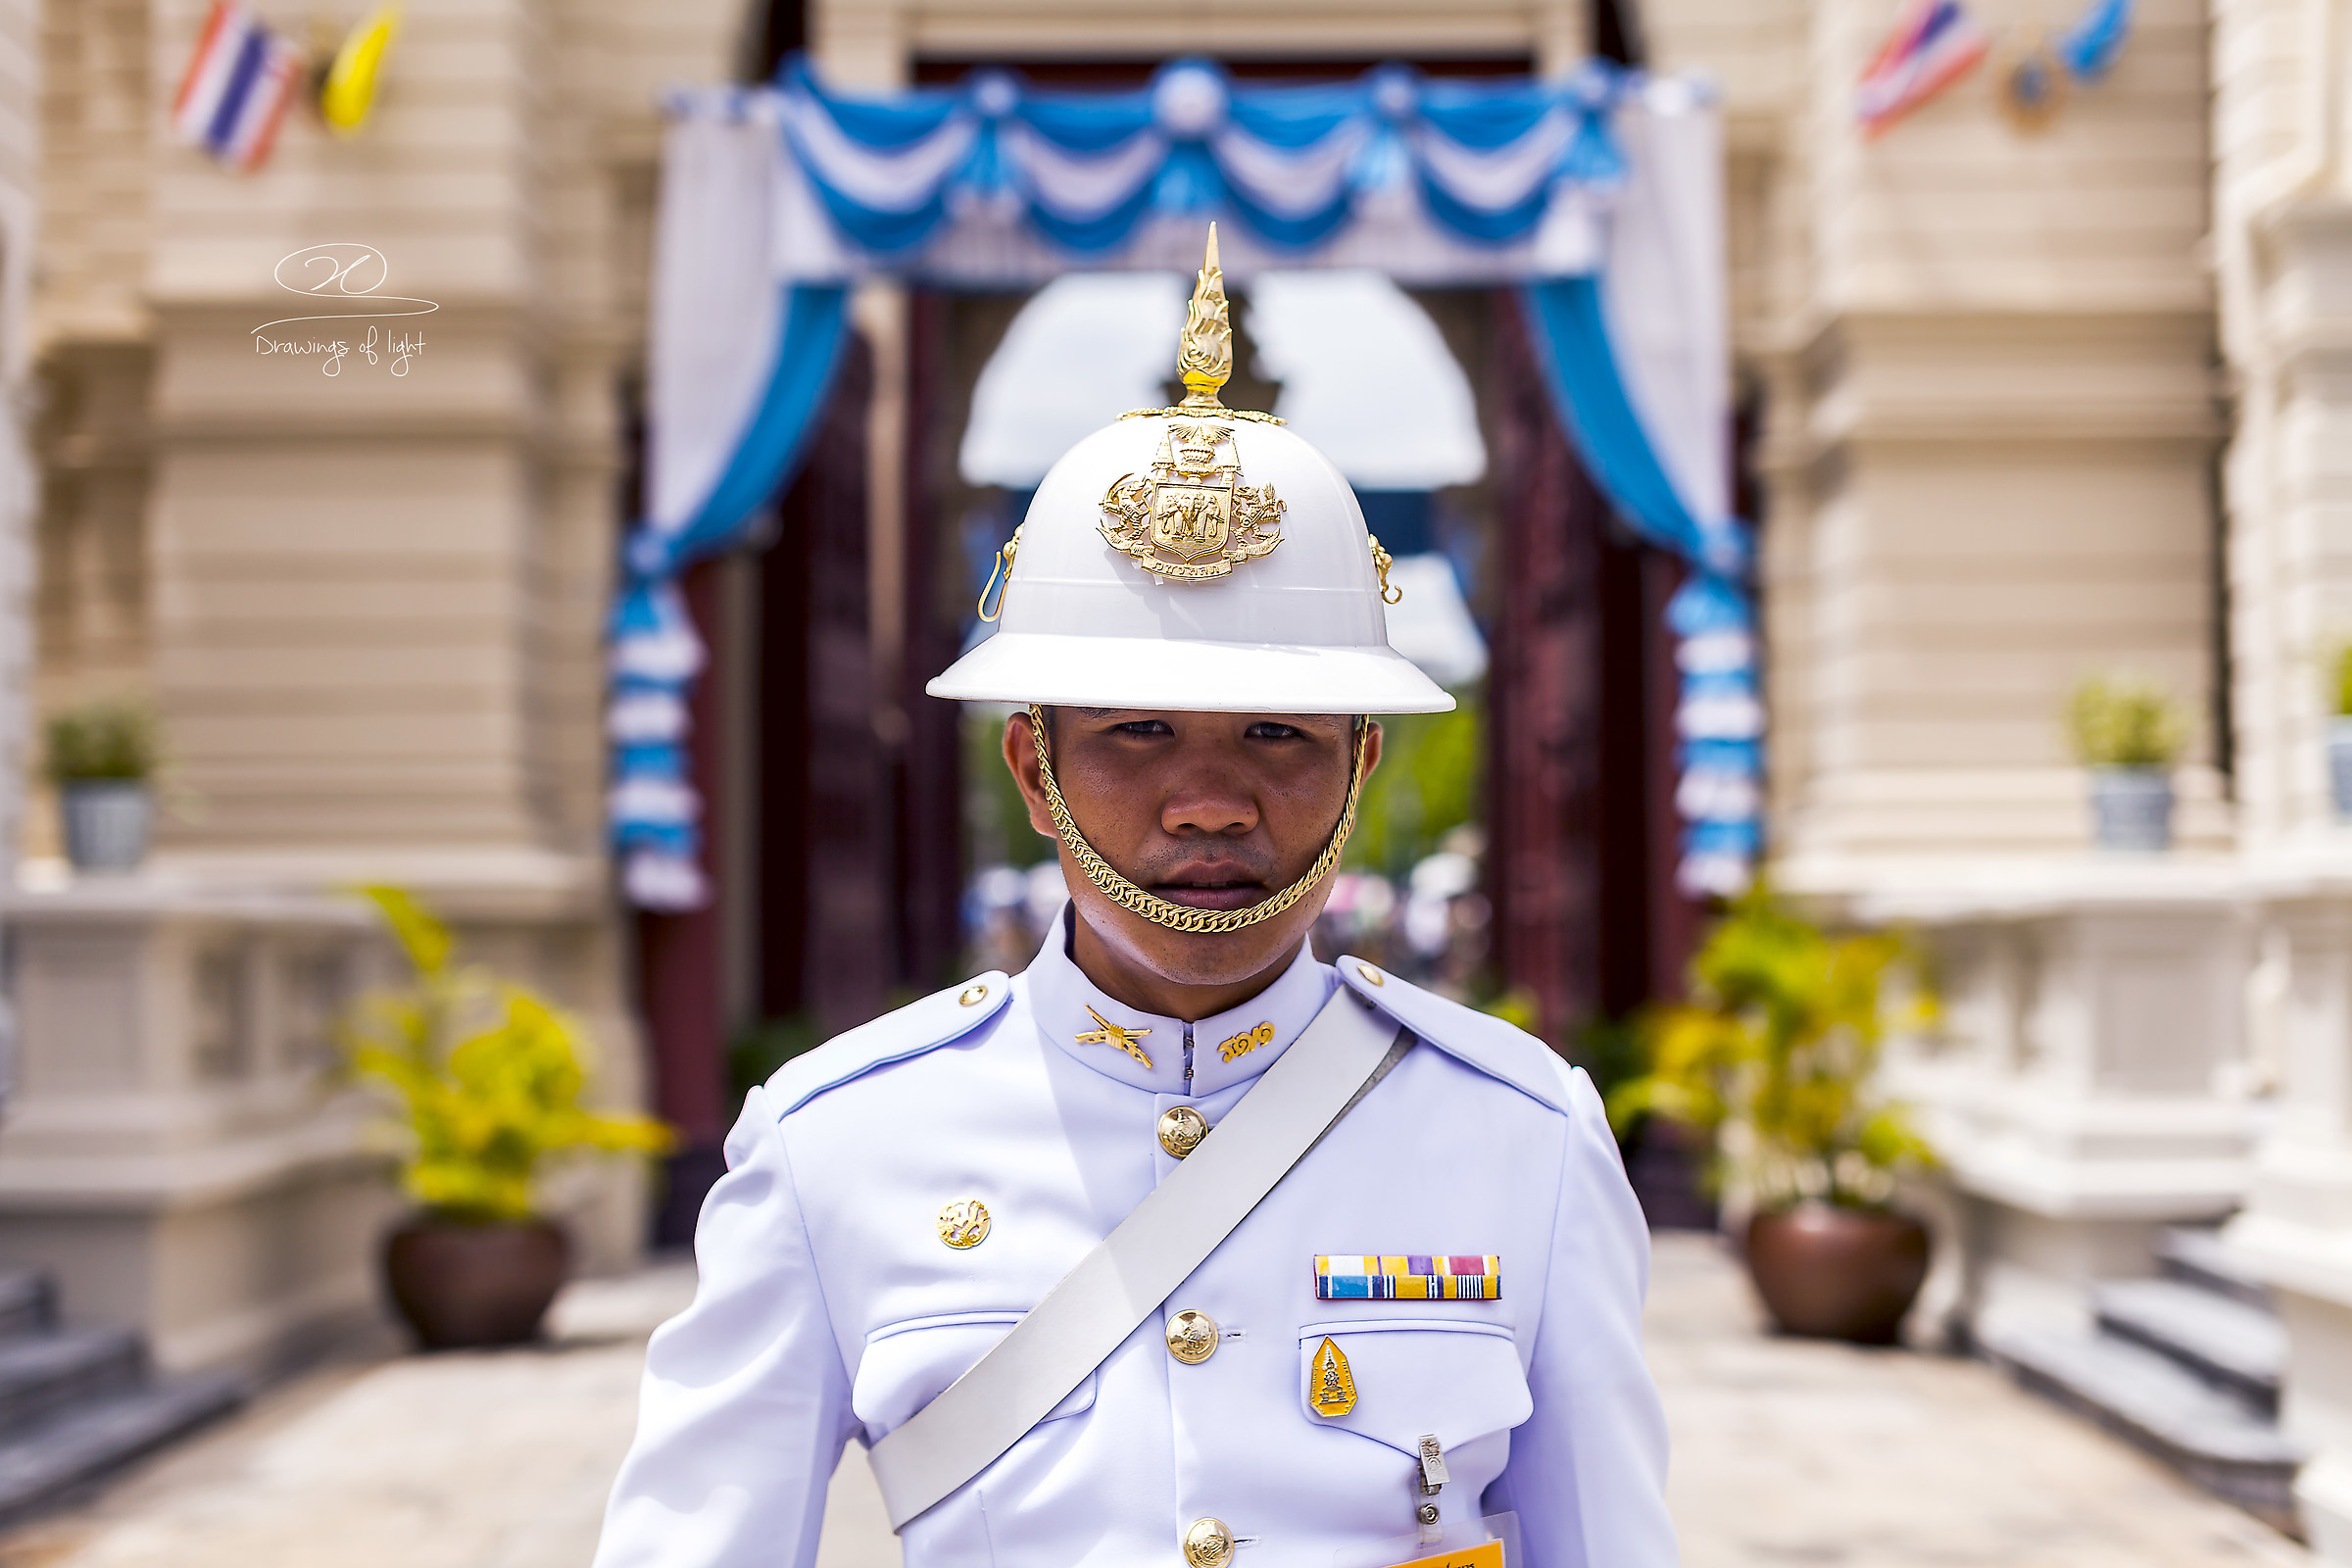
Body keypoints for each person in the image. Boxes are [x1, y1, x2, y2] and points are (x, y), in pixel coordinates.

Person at [592, 231, 1676, 1568]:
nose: (1210, 800)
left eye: (1278, 734)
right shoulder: (838, 1146)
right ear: (1032, 770)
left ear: (1363, 762)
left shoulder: (1523, 1137)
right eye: (1139, 731)